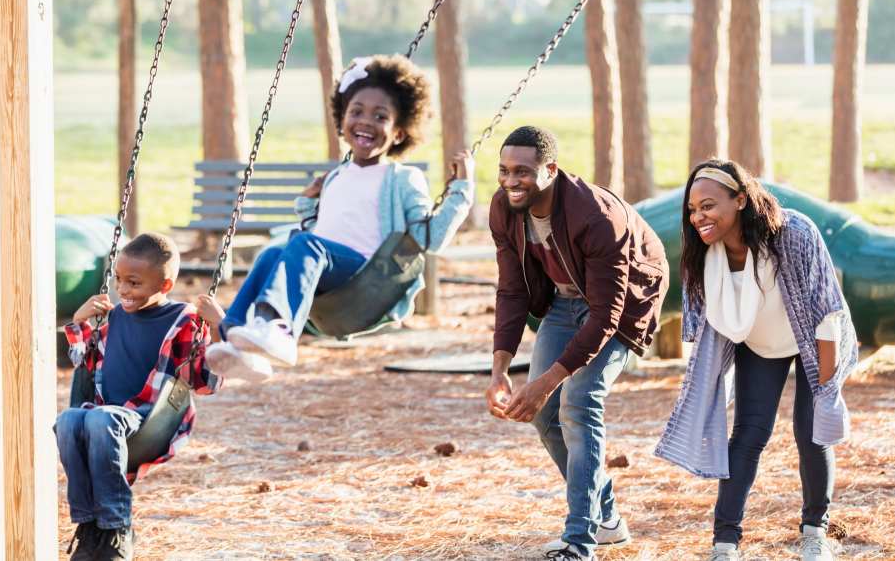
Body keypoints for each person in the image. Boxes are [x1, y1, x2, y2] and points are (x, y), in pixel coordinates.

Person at [200, 54, 475, 374]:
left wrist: (462, 189)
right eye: (356, 111)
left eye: (380, 116)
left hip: (370, 278)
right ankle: (235, 337)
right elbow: (325, 230)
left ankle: (279, 330)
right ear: (342, 121)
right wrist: (308, 203)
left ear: (399, 132)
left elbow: (430, 238)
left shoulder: (402, 178)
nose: (365, 121)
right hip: (328, 275)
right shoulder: (335, 177)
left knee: (304, 244)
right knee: (272, 252)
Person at [655, 160, 859, 561]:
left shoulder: (793, 234)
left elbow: (826, 312)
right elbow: (703, 330)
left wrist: (827, 389)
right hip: (758, 344)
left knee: (812, 432)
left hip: (813, 339)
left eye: (709, 205)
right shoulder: (703, 254)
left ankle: (815, 531)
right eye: (693, 210)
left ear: (741, 200)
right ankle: (725, 543)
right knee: (748, 435)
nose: (699, 217)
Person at [484, 126, 668, 560]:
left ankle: (578, 541)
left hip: (622, 306)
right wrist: (499, 371)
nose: (512, 181)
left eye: (523, 172)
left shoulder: (596, 216)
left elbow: (606, 314)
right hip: (565, 301)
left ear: (550, 169)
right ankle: (605, 520)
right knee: (544, 413)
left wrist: (547, 380)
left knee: (578, 402)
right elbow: (511, 291)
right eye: (505, 171)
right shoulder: (504, 209)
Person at [55, 233, 224, 560]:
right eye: (119, 279)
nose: (123, 290)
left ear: (164, 285)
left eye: (133, 282)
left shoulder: (184, 319)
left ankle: (118, 527)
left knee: (101, 419)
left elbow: (206, 383)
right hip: (106, 416)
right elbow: (85, 364)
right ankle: (90, 529)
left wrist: (218, 327)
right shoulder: (114, 316)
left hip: (151, 420)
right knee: (68, 420)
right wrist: (79, 321)